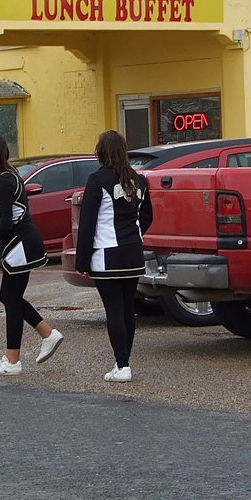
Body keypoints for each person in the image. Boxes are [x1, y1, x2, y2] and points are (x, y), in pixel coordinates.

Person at [0, 133, 64, 376]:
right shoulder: (7, 176)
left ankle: (13, 360)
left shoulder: (3, 180)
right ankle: (46, 334)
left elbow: (5, 220)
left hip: (21, 245)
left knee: (10, 299)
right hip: (20, 243)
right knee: (9, 296)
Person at [75, 130, 154, 382]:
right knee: (127, 309)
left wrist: (82, 260)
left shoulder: (98, 180)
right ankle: (124, 362)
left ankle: (122, 365)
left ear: (101, 151)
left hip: (107, 255)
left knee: (114, 310)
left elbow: (87, 223)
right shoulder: (139, 180)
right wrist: (136, 235)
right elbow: (147, 216)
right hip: (133, 253)